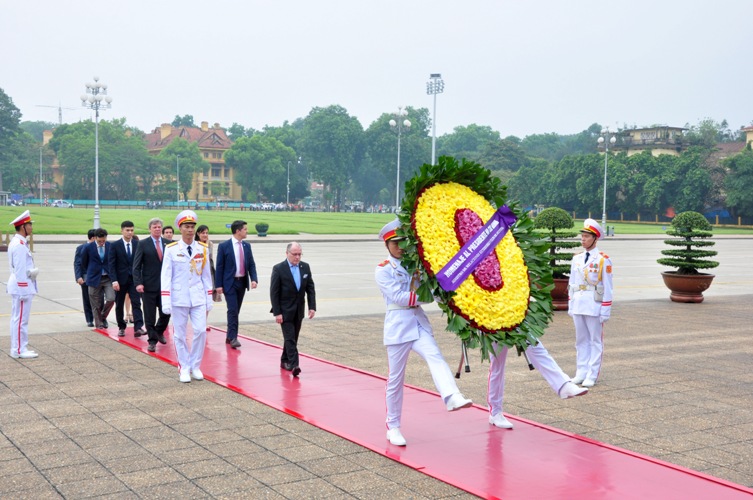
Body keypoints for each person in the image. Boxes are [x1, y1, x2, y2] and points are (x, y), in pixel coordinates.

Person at [375, 219, 472, 447]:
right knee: (395, 380)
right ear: (387, 245)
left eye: (403, 242)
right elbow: (400, 297)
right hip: (398, 325)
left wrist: (450, 296)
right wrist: (429, 295)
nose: (400, 247)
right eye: (395, 243)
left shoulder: (416, 265)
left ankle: (452, 396)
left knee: (435, 356)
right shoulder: (383, 270)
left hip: (418, 322)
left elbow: (433, 290)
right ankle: (393, 425)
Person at [160, 210, 214, 383]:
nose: (190, 230)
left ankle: (195, 365)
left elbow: (206, 276)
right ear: (180, 229)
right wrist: (166, 300)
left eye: (192, 227)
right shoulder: (171, 249)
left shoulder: (202, 249)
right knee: (180, 335)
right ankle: (184, 367)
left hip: (197, 296)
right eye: (186, 227)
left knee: (200, 331)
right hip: (179, 297)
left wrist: (209, 297)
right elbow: (166, 276)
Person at [486, 342, 588, 429]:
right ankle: (495, 411)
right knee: (497, 364)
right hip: (493, 323)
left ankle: (563, 385)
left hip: (517, 320)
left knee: (535, 346)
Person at [568, 218, 614, 388]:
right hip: (579, 303)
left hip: (594, 304)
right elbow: (572, 284)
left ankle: (592, 374)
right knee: (580, 340)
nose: (583, 239)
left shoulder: (603, 260)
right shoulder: (577, 258)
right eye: (582, 236)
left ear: (595, 239)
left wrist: (605, 310)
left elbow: (608, 287)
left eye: (586, 237)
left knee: (595, 340)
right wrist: (571, 304)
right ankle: (581, 372)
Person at [270, 242, 316, 377]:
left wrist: (312, 306)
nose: (297, 257)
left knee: (292, 338)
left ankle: (284, 360)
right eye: (294, 254)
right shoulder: (279, 269)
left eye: (299, 254)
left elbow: (310, 288)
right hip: (284, 311)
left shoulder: (305, 267)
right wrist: (277, 312)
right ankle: (295, 365)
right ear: (287, 253)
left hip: (299, 310)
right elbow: (274, 292)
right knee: (290, 339)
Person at [215, 220, 258, 349]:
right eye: (245, 229)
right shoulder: (224, 246)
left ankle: (229, 335)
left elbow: (251, 263)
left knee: (235, 310)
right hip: (230, 283)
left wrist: (254, 279)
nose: (247, 231)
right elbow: (220, 266)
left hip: (242, 282)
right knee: (233, 310)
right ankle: (233, 338)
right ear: (238, 231)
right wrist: (218, 285)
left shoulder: (247, 246)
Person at [133, 218, 172, 353]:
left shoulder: (169, 244)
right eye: (154, 227)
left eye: (159, 227)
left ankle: (158, 331)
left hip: (165, 286)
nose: (157, 229)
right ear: (150, 229)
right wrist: (138, 283)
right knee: (149, 315)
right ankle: (152, 341)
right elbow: (136, 266)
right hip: (148, 286)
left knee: (166, 312)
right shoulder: (143, 244)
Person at [7, 210, 39, 359]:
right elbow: (19, 270)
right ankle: (19, 349)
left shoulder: (18, 242)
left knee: (18, 319)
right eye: (29, 225)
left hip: (21, 284)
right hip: (22, 286)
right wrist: (23, 290)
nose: (31, 228)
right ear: (22, 227)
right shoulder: (19, 245)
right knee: (21, 320)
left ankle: (19, 347)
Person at [108, 220, 145, 338]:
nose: (130, 232)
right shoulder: (114, 245)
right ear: (122, 231)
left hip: (134, 280)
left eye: (132, 230)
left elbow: (141, 263)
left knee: (136, 302)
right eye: (127, 230)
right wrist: (114, 280)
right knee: (119, 304)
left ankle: (138, 326)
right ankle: (121, 327)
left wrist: (140, 279)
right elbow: (111, 265)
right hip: (120, 280)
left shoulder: (137, 244)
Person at [79, 228, 115, 329]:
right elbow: (83, 262)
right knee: (95, 303)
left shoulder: (110, 246)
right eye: (99, 241)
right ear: (95, 238)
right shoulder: (88, 247)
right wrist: (91, 271)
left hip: (107, 278)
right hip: (94, 278)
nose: (102, 243)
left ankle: (102, 317)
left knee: (111, 298)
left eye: (104, 240)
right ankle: (99, 324)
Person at [74, 228, 97, 328]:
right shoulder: (81, 248)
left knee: (99, 299)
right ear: (93, 238)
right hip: (86, 277)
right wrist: (78, 277)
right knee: (87, 299)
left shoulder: (100, 247)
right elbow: (77, 263)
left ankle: (100, 319)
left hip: (98, 277)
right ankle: (89, 319)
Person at [196, 224, 216, 330]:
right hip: (197, 273)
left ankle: (204, 322)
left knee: (208, 298)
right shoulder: (195, 245)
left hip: (209, 273)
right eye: (203, 233)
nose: (205, 235)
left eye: (207, 233)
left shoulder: (210, 244)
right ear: (198, 234)